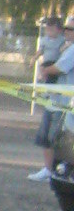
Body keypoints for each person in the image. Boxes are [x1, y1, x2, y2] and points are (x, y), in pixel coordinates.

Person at [30, 14, 71, 180]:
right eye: (66, 28)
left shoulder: (70, 50)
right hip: (52, 99)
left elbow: (58, 68)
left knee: (56, 138)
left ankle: (56, 171)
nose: (67, 31)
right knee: (46, 136)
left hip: (64, 103)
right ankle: (48, 170)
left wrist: (44, 70)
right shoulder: (62, 46)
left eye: (70, 29)